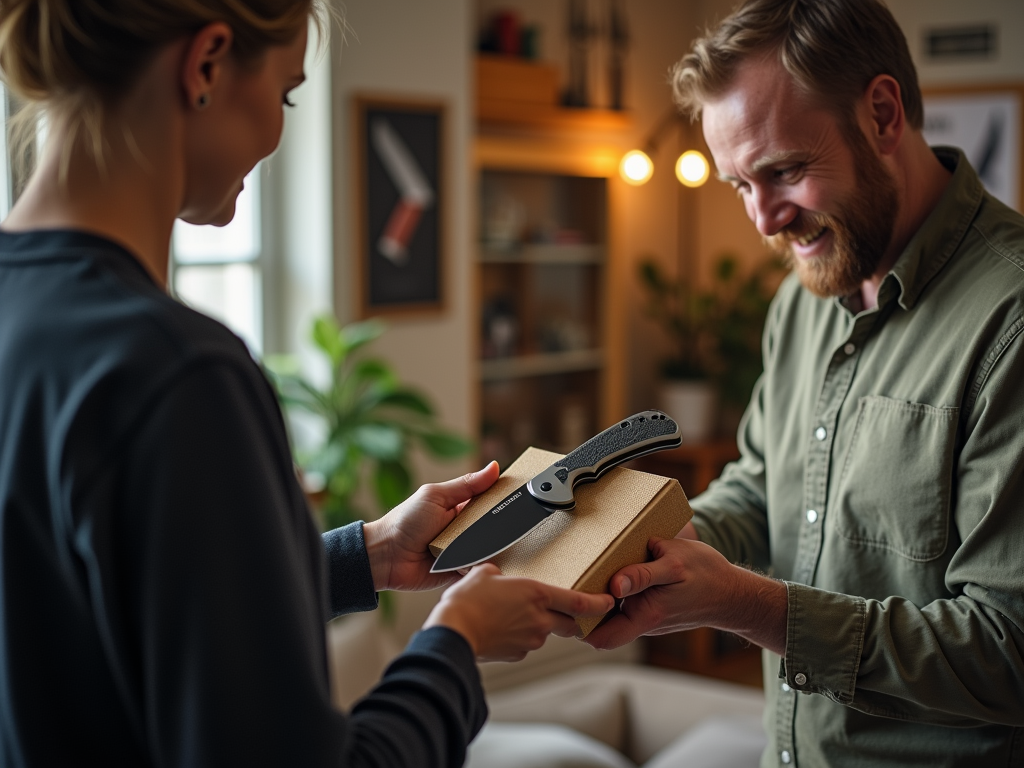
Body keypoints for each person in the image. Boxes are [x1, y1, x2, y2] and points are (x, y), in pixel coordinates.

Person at [0, 1, 614, 766]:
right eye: (288, 93)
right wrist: (457, 643)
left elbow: (84, 622)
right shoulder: (176, 372)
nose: (279, 131)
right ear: (207, 64)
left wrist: (370, 554)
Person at [585, 0, 1024, 766]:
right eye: (738, 185)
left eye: (784, 170)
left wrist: (748, 606)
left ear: (883, 114)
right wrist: (628, 552)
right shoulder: (803, 299)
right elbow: (759, 487)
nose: (762, 220)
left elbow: (1008, 649)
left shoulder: (1011, 320)